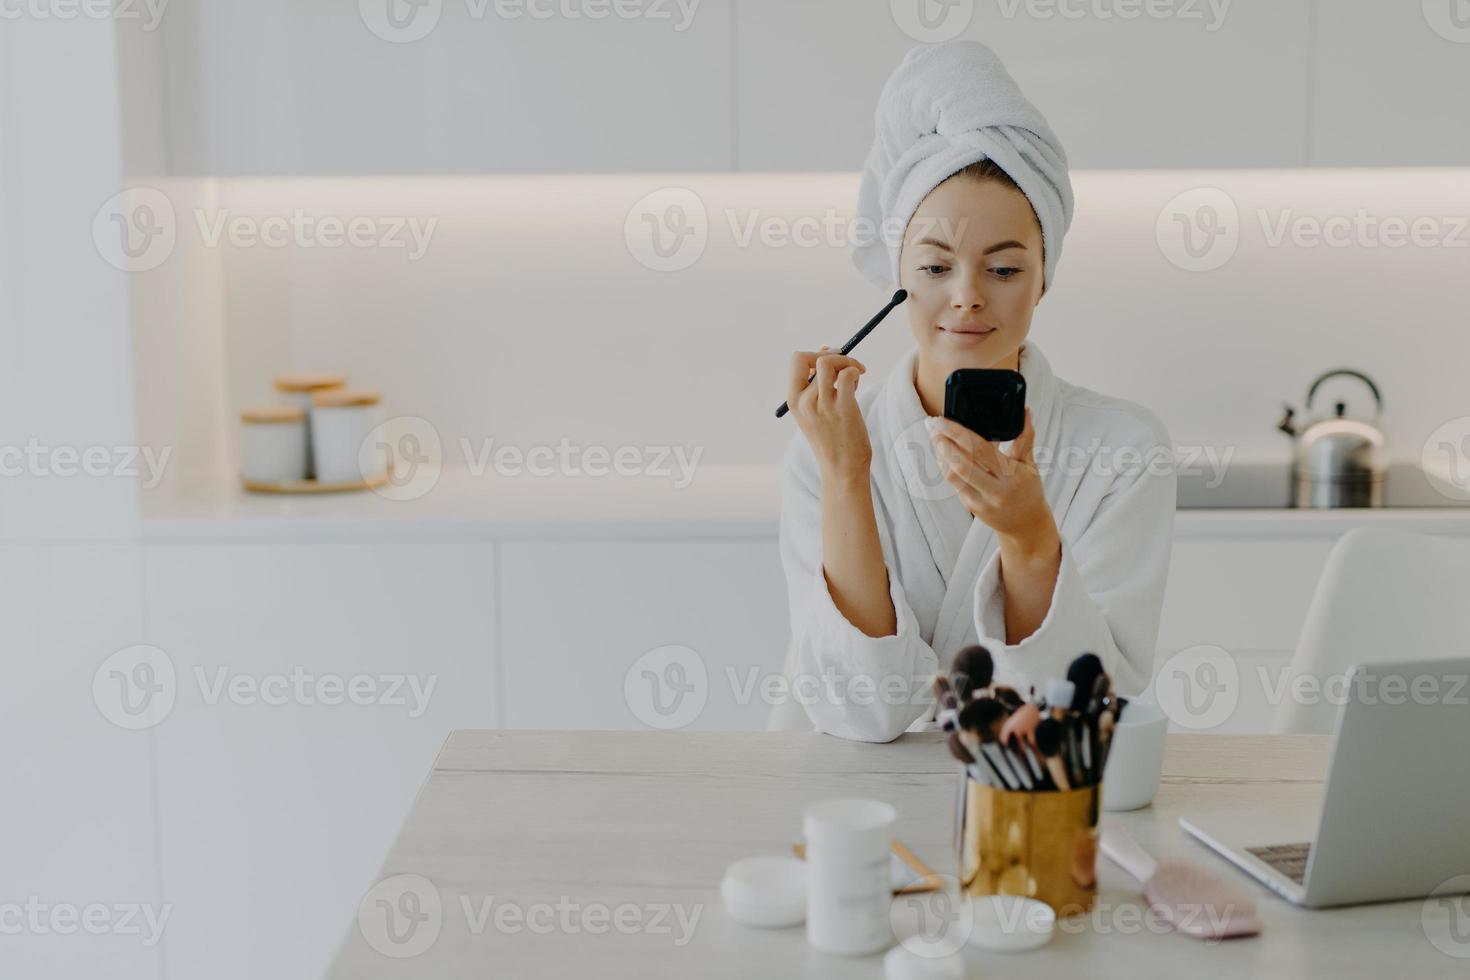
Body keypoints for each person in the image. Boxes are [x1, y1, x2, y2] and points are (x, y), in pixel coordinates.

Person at [779, 41, 1176, 742]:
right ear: (895, 274)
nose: (965, 298)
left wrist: (1029, 541)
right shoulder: (829, 443)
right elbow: (862, 714)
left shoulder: (1123, 451)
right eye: (935, 267)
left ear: (1044, 278)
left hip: (1031, 802)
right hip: (864, 794)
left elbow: (1079, 715)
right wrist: (846, 474)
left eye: (1003, 269)